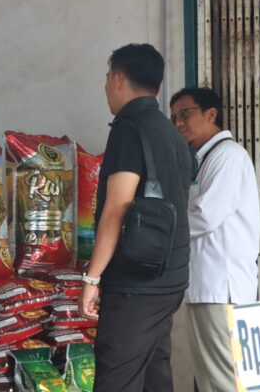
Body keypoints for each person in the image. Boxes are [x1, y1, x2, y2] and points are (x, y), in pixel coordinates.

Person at [79, 43, 193, 392]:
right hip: (170, 277)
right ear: (157, 86)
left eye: (107, 78)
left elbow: (117, 209)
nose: (106, 87)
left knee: (118, 379)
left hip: (136, 282)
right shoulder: (171, 133)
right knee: (154, 378)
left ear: (117, 79)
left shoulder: (130, 128)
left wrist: (92, 278)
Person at [170, 87, 260, 392]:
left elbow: (205, 216)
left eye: (185, 114)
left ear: (211, 114)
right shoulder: (205, 158)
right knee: (210, 379)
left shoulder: (228, 156)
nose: (179, 123)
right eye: (174, 118)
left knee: (225, 380)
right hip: (205, 288)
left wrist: (160, 231)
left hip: (221, 288)